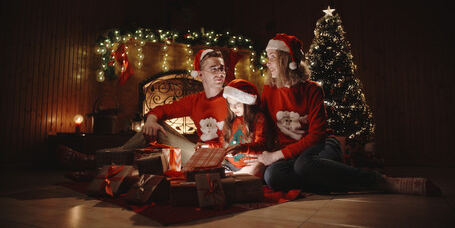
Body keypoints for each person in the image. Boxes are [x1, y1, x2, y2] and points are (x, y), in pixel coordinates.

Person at [258, 33, 441, 196]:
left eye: (272, 57)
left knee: (303, 165)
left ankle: (380, 181)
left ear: (287, 60)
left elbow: (316, 137)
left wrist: (277, 155)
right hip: (292, 155)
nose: (267, 63)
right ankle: (329, 181)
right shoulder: (269, 89)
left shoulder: (311, 89)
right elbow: (264, 127)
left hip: (322, 147)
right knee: (273, 176)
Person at [57, 49, 229, 180]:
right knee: (157, 128)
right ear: (200, 74)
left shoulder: (233, 98)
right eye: (213, 69)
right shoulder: (195, 100)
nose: (220, 73)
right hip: (198, 152)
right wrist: (151, 120)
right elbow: (159, 110)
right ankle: (98, 167)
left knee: (157, 143)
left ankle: (95, 162)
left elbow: (243, 134)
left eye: (222, 68)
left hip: (219, 158)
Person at [221, 79, 268, 177]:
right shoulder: (231, 120)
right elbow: (222, 143)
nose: (233, 108)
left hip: (250, 165)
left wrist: (242, 148)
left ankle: (234, 175)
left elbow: (261, 145)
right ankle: (231, 175)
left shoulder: (258, 118)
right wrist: (208, 146)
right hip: (230, 165)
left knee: (259, 167)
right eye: (230, 104)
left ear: (247, 102)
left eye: (238, 103)